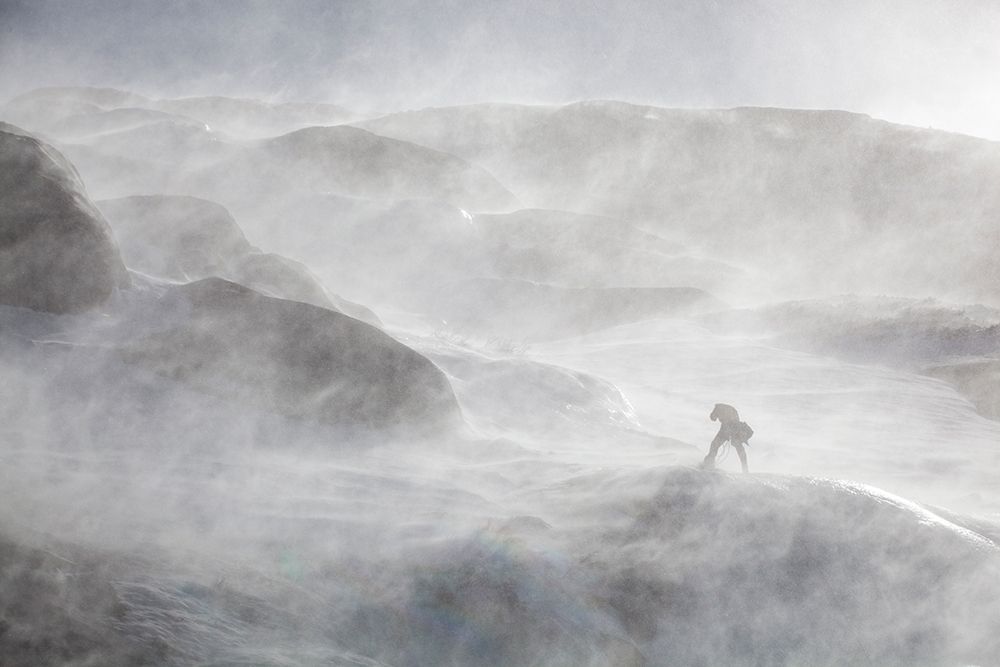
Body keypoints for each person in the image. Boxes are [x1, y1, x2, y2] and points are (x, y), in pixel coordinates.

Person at [701, 403, 752, 472]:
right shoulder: (722, 409)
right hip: (730, 427)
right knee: (716, 445)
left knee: (715, 445)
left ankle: (709, 463)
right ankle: (745, 468)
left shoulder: (720, 408)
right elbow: (713, 417)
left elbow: (713, 418)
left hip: (729, 427)